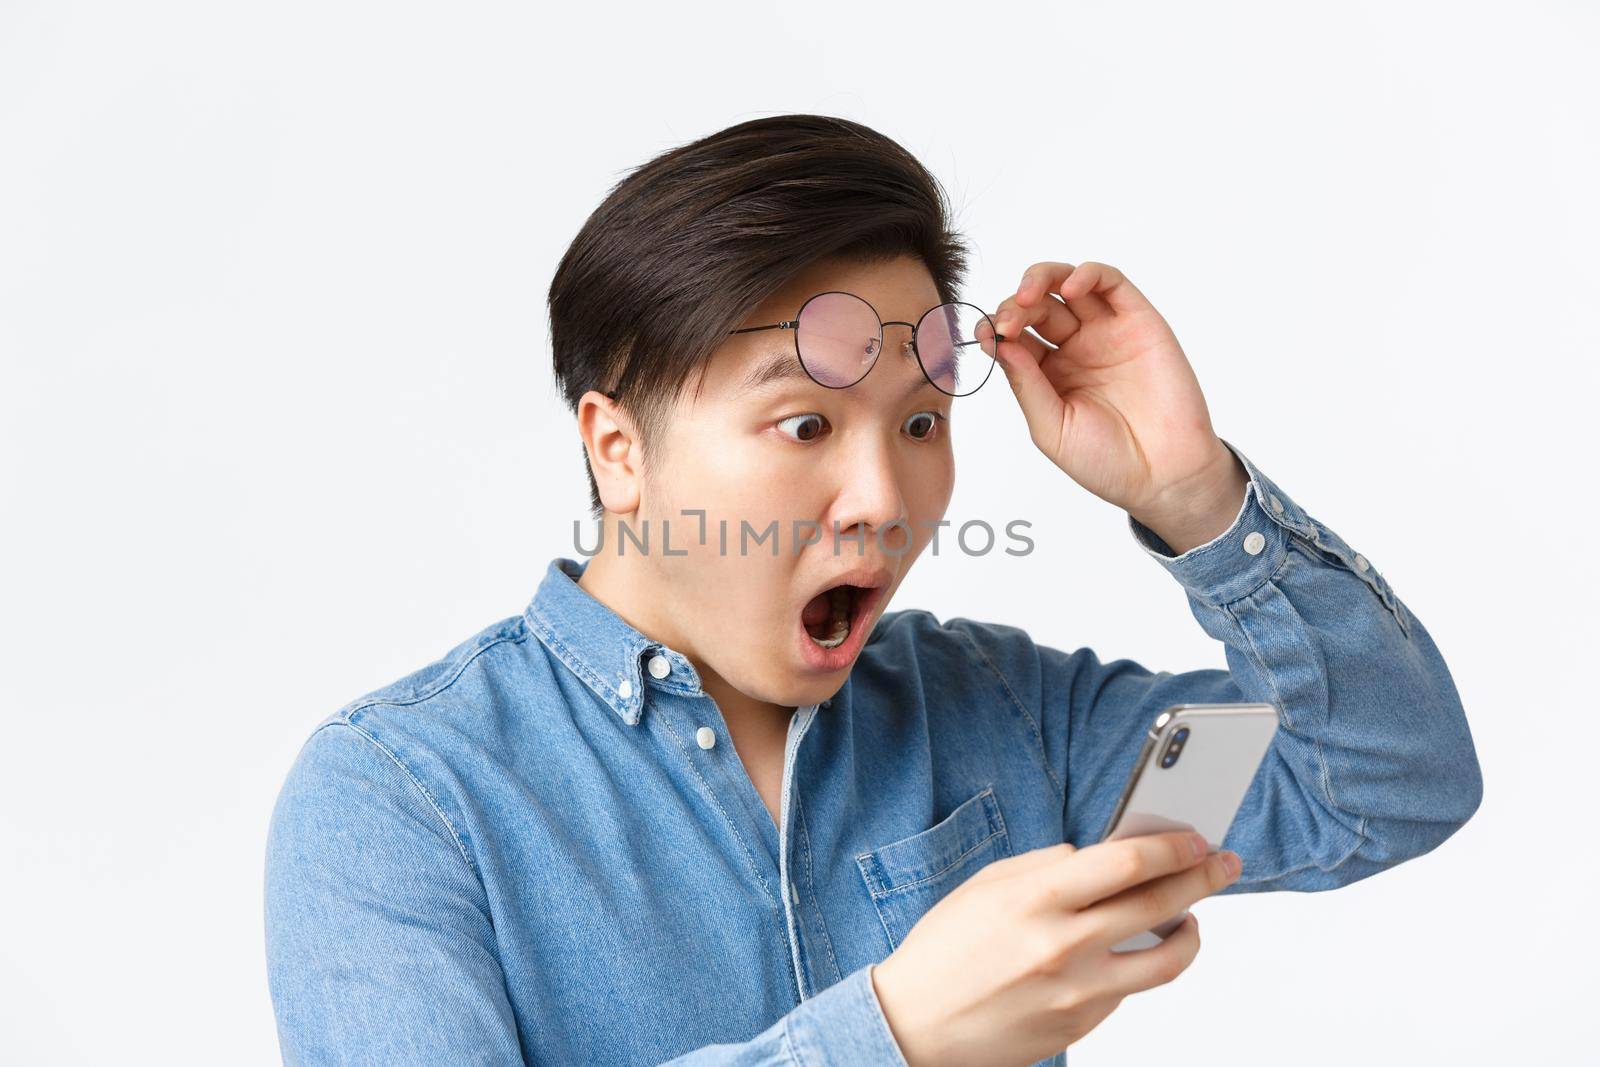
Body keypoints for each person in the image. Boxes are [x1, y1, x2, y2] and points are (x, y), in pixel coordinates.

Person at [263, 114, 1482, 1067]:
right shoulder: (402, 798)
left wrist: (1194, 495)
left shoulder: (1007, 717)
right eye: (803, 423)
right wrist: (891, 1032)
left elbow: (1379, 781)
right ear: (617, 447)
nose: (882, 497)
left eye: (917, 420)